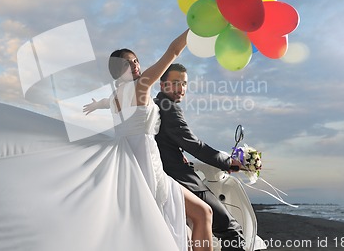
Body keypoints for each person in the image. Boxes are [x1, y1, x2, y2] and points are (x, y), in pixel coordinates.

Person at [84, 31, 214, 251]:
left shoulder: (116, 96)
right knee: (202, 213)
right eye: (127, 63)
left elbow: (108, 103)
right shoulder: (141, 85)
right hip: (146, 162)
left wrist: (98, 104)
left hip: (127, 162)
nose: (135, 65)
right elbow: (172, 52)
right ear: (119, 71)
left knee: (166, 223)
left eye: (135, 60)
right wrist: (194, 28)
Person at [153, 63, 246, 251]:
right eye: (175, 82)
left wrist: (179, 153)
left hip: (166, 173)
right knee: (231, 231)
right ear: (163, 86)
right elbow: (194, 145)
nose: (181, 88)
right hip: (180, 178)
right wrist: (228, 162)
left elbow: (165, 141)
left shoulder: (158, 104)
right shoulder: (169, 107)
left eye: (185, 83)